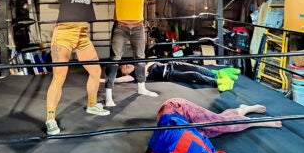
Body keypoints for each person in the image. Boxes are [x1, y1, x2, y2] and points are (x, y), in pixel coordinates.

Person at [24, 0, 109, 136]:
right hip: (63, 34)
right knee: (59, 77)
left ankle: (92, 104)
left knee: (96, 70)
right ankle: (50, 118)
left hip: (82, 35)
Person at [83, 0, 190, 107]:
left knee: (140, 57)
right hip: (121, 26)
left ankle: (141, 86)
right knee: (114, 59)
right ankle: (109, 95)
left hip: (138, 27)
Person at [72, 98, 285, 153]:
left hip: (173, 118)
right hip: (180, 111)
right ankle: (252, 118)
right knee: (220, 124)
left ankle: (243, 110)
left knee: (220, 124)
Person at [100, 60, 241, 92]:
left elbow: (152, 60)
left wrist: (147, 67)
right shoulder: (134, 76)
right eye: (124, 68)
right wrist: (105, 80)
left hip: (171, 64)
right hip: (169, 74)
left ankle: (215, 73)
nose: (126, 67)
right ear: (124, 72)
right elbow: (119, 80)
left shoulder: (139, 65)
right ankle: (216, 82)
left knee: (194, 67)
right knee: (193, 74)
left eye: (125, 65)